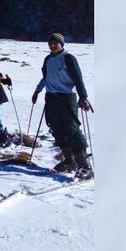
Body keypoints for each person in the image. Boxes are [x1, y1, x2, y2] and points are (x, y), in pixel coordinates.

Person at [31, 33, 93, 179]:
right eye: (50, 43)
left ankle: (85, 166)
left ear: (62, 44)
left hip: (66, 98)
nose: (52, 45)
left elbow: (78, 78)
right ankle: (69, 161)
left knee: (72, 130)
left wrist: (83, 96)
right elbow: (46, 78)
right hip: (51, 98)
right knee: (57, 129)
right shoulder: (48, 59)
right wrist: (37, 90)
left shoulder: (68, 58)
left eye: (55, 43)